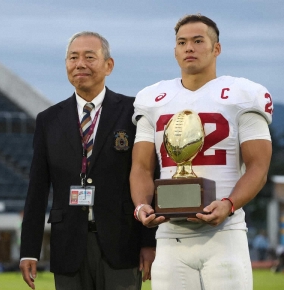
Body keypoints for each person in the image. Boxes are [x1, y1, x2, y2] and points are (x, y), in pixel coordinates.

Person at [130, 14, 273, 290]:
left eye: (198, 41)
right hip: (170, 235)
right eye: (182, 42)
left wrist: (229, 204)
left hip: (224, 234)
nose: (189, 48)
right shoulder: (153, 99)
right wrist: (142, 206)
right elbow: (141, 168)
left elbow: (259, 168)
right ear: (174, 50)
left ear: (216, 48)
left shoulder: (243, 95)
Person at [20, 31, 156, 290]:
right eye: (73, 57)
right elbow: (37, 190)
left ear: (109, 65)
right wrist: (29, 250)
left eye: (89, 57)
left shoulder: (134, 112)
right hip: (68, 245)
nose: (79, 64)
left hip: (122, 244)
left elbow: (149, 174)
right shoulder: (49, 119)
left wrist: (149, 241)